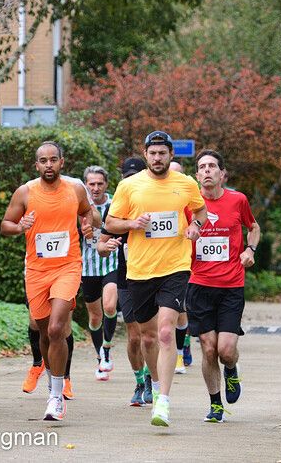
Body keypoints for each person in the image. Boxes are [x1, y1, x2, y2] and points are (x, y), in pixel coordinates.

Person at [105, 131, 207, 427]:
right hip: (139, 271)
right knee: (148, 336)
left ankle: (163, 400)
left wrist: (196, 227)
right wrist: (131, 223)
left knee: (164, 333)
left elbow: (200, 210)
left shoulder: (186, 183)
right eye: (153, 153)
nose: (158, 158)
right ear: (146, 154)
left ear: (170, 155)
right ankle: (153, 381)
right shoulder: (129, 186)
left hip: (175, 267)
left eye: (163, 153)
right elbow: (111, 223)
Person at [0, 141, 100, 421]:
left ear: (62, 162)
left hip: (68, 266)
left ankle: (56, 396)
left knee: (57, 328)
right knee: (44, 333)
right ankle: (51, 376)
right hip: (36, 270)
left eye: (53, 160)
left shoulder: (75, 189)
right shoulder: (25, 192)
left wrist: (90, 220)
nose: (48, 165)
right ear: (36, 165)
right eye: (43, 161)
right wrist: (19, 227)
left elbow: (91, 215)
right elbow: (5, 225)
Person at [186, 149, 260, 423]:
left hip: (231, 285)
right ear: (196, 176)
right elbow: (180, 236)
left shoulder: (237, 200)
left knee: (225, 350)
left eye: (212, 166)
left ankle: (231, 368)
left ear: (222, 173)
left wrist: (250, 250)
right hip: (199, 285)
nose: (207, 170)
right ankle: (215, 403)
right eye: (202, 167)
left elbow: (254, 227)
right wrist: (188, 234)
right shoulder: (189, 206)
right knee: (208, 348)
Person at [97, 156, 153, 406]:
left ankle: (152, 380)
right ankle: (140, 380)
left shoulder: (157, 202)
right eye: (126, 177)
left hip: (157, 275)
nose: (130, 181)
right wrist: (105, 246)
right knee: (134, 337)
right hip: (127, 276)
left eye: (135, 176)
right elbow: (101, 244)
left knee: (152, 334)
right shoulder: (117, 207)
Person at [80, 165, 120, 381]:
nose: (95, 188)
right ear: (86, 185)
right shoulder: (78, 205)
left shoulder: (115, 203)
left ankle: (106, 347)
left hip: (111, 263)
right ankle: (100, 357)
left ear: (106, 184)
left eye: (99, 184)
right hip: (88, 267)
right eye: (91, 184)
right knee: (95, 317)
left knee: (110, 306)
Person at [169, 161, 193, 373]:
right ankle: (180, 348)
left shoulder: (189, 197)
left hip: (185, 258)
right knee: (174, 311)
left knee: (181, 309)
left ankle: (181, 349)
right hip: (164, 260)